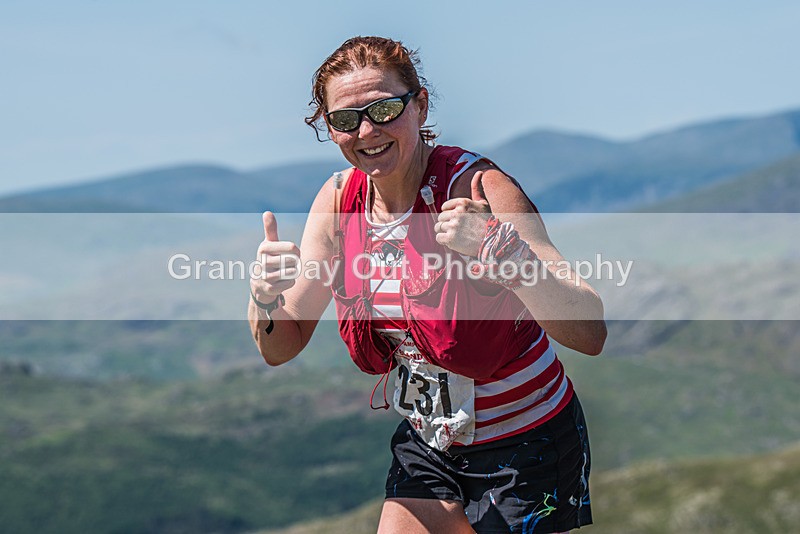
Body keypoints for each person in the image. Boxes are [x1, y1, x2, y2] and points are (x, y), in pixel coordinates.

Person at [249, 36, 606, 534]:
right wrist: (263, 295)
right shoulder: (338, 203)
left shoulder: (477, 187)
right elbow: (280, 346)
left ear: (420, 106)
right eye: (346, 120)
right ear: (328, 129)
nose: (367, 131)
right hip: (430, 444)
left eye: (385, 108)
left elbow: (590, 331)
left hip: (527, 444)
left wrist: (503, 253)